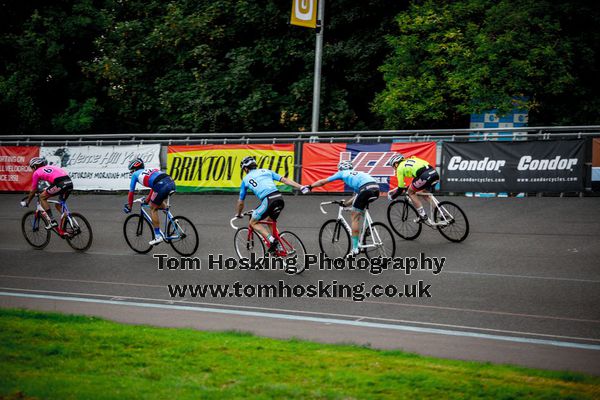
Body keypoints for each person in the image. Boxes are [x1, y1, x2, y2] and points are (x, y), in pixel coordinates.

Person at [304, 160, 380, 256]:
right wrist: (345, 204)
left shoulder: (342, 173)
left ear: (340, 168)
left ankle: (355, 248)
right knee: (360, 208)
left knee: (354, 216)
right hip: (375, 189)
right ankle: (369, 228)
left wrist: (310, 186)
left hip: (365, 190)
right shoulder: (358, 174)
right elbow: (357, 197)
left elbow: (323, 182)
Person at [235, 156, 305, 253]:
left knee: (253, 222)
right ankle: (279, 246)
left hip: (268, 200)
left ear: (246, 169)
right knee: (270, 220)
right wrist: (300, 186)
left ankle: (272, 240)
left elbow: (241, 201)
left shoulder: (245, 179)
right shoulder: (266, 171)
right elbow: (284, 180)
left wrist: (239, 213)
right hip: (279, 198)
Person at [123, 157, 176, 246]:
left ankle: (157, 236)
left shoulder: (136, 175)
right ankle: (174, 221)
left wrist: (130, 206)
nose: (132, 173)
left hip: (161, 186)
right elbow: (153, 188)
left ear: (135, 169)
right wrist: (147, 200)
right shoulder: (150, 169)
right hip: (171, 182)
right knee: (156, 201)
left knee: (153, 208)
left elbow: (131, 193)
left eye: (132, 170)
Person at [20, 157, 74, 231]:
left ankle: (52, 221)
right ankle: (67, 220)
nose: (32, 170)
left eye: (32, 168)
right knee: (58, 205)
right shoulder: (50, 167)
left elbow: (34, 190)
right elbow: (53, 181)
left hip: (60, 183)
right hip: (69, 183)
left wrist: (28, 202)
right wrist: (47, 189)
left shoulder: (36, 172)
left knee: (42, 197)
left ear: (35, 166)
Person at [387, 153, 439, 222]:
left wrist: (392, 197)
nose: (394, 169)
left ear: (396, 164)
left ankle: (422, 215)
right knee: (424, 193)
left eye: (393, 166)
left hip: (424, 176)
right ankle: (441, 213)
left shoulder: (399, 168)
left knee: (410, 192)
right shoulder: (412, 159)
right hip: (434, 172)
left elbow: (400, 188)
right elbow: (416, 179)